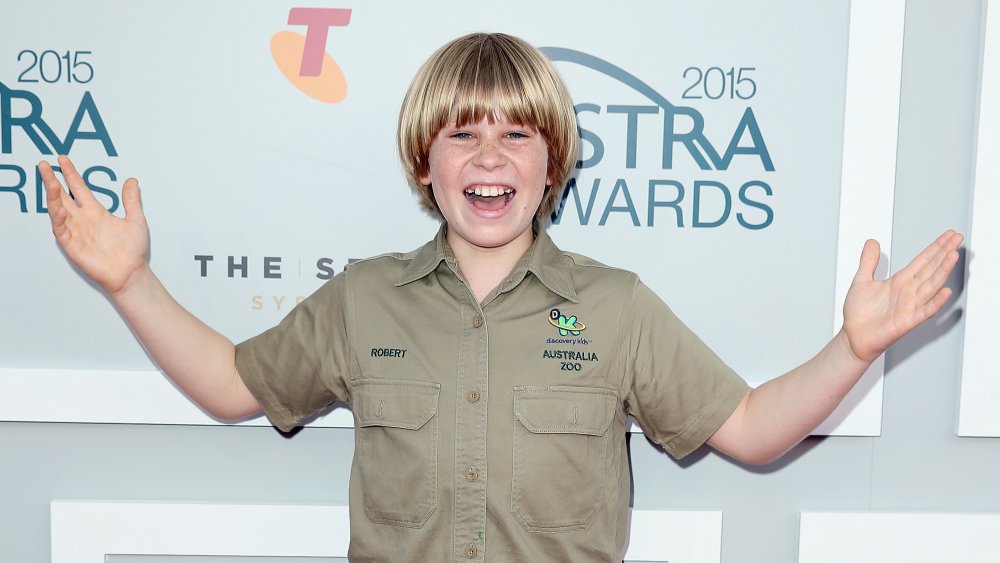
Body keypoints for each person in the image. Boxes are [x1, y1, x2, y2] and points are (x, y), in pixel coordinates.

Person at [39, 32, 962, 562]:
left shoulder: (615, 305)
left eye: (518, 134)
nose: (489, 156)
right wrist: (130, 281)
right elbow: (232, 382)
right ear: (422, 164)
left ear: (552, 163)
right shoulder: (363, 298)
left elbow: (755, 428)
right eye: (462, 135)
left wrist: (853, 347)